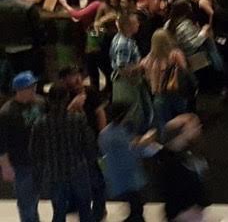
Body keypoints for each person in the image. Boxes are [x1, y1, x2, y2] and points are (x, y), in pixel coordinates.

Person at [31, 84, 98, 222]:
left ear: (48, 99)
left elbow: (35, 151)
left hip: (55, 172)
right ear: (67, 98)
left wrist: (41, 169)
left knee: (59, 211)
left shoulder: (40, 123)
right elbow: (89, 144)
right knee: (85, 210)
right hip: (78, 169)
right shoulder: (77, 119)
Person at [0, 71, 44, 222]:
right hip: (21, 164)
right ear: (20, 90)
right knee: (26, 202)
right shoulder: (6, 113)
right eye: (31, 87)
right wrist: (5, 166)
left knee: (35, 198)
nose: (34, 89)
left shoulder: (40, 103)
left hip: (39, 161)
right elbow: (2, 143)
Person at [99, 102, 154, 222]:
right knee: (135, 199)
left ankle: (134, 216)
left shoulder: (105, 133)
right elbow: (132, 150)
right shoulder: (119, 134)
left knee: (132, 199)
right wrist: (145, 142)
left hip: (117, 173)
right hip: (128, 173)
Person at [156, 114, 209, 222]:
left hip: (191, 212)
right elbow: (169, 189)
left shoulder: (188, 153)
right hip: (182, 214)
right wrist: (181, 213)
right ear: (182, 132)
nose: (198, 128)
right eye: (194, 126)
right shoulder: (169, 161)